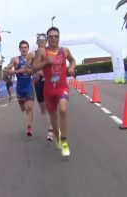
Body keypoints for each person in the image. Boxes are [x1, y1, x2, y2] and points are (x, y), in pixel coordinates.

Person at [31, 27, 76, 156]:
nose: (54, 38)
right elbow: (34, 68)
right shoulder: (42, 52)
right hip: (48, 91)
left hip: (62, 88)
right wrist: (45, 62)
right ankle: (57, 136)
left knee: (63, 109)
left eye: (56, 36)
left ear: (59, 37)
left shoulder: (65, 51)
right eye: (51, 36)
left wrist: (72, 68)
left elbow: (72, 60)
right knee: (54, 123)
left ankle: (65, 141)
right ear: (47, 39)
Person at [6, 40, 35, 136]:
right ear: (19, 49)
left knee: (29, 107)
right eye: (22, 47)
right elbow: (8, 70)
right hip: (20, 87)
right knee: (24, 109)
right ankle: (25, 109)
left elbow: (36, 69)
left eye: (25, 47)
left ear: (28, 48)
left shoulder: (32, 59)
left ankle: (29, 128)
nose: (24, 49)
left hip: (29, 85)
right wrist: (12, 70)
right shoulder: (15, 59)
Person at [32, 33, 54, 141]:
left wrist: (48, 75)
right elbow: (31, 68)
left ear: (46, 42)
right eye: (39, 41)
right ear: (37, 42)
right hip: (37, 83)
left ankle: (50, 130)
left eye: (43, 40)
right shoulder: (33, 54)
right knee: (42, 107)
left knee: (49, 107)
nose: (41, 42)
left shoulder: (49, 53)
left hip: (47, 82)